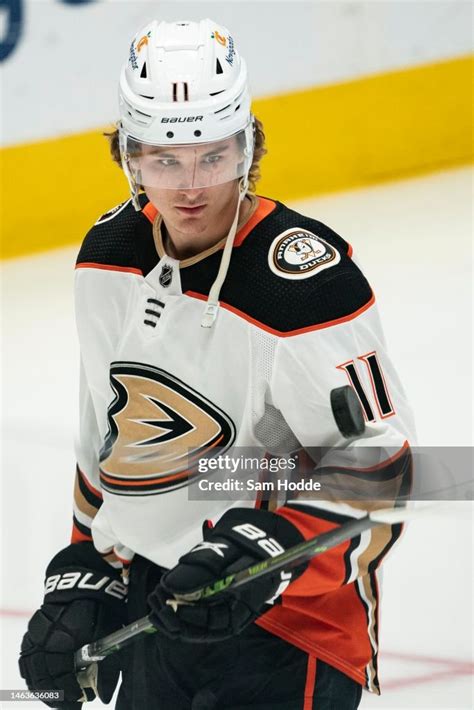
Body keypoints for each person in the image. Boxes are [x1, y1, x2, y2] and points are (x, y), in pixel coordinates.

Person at [19, 18, 415, 710]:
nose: (191, 186)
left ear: (248, 147)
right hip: (160, 606)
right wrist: (92, 561)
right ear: (130, 159)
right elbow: (110, 438)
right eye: (164, 160)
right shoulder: (106, 258)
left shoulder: (304, 287)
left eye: (214, 156)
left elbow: (387, 472)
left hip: (294, 630)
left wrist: (268, 550)